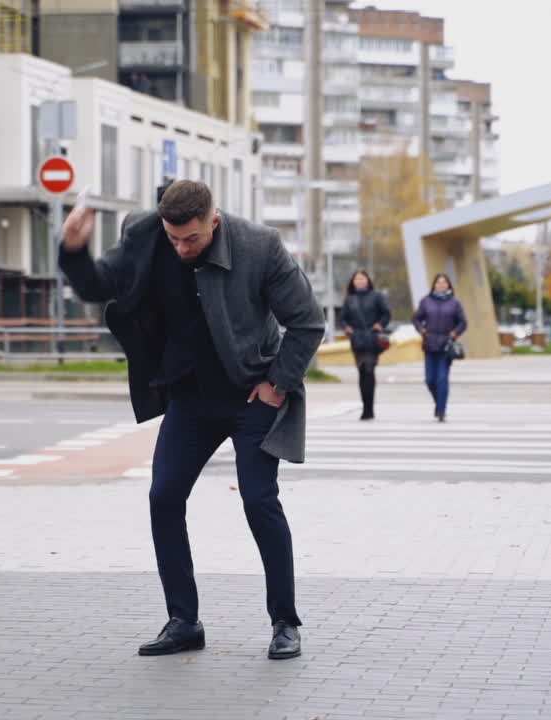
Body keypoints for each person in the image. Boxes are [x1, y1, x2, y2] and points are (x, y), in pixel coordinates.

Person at [58, 180, 323, 660]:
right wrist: (73, 249)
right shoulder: (144, 235)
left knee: (259, 501)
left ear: (213, 221)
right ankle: (184, 620)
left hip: (250, 396)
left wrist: (277, 385)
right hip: (189, 398)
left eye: (192, 239)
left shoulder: (258, 245)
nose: (181, 248)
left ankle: (285, 621)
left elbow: (307, 321)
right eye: (174, 238)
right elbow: (99, 285)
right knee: (163, 497)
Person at [413, 273, 467, 422]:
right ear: (434, 285)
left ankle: (442, 411)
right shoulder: (426, 301)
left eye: (444, 282)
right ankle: (439, 403)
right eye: (438, 282)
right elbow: (416, 318)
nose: (441, 285)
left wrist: (455, 333)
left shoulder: (455, 303)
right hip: (429, 345)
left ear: (449, 285)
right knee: (430, 380)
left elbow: (463, 322)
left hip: (446, 346)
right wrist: (421, 329)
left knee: (442, 379)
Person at [340, 269, 391, 421]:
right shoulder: (350, 299)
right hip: (357, 340)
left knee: (368, 370)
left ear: (368, 280)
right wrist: (347, 329)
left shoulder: (377, 296)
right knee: (362, 372)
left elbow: (386, 314)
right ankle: (366, 406)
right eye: (357, 279)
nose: (360, 281)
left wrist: (379, 326)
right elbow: (343, 319)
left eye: (362, 279)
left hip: (372, 339)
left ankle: (369, 409)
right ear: (353, 282)